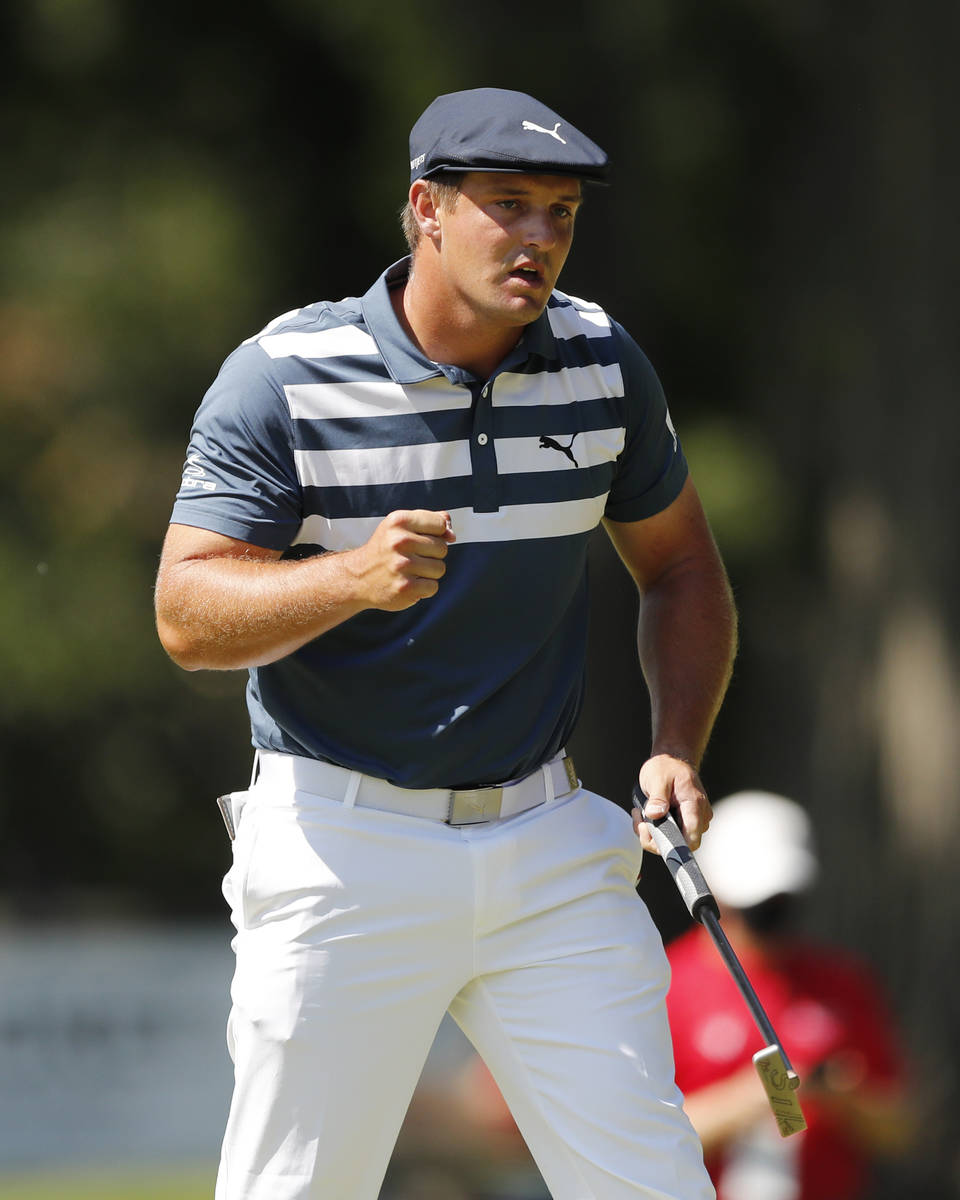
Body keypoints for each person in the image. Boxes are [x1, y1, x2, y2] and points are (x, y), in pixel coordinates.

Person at [154, 87, 738, 1200]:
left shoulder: (605, 363)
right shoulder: (282, 376)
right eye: (507, 206)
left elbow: (682, 569)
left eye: (559, 215)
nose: (538, 239)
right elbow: (186, 615)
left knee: (655, 1186)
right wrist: (351, 580)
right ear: (425, 207)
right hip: (343, 847)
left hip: (548, 841)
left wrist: (675, 744)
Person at [665, 791, 912, 1200]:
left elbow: (900, 1129)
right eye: (758, 903)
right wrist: (763, 1093)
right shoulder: (666, 984)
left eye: (782, 902)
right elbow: (641, 1136)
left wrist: (843, 1095)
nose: (771, 918)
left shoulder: (841, 982)